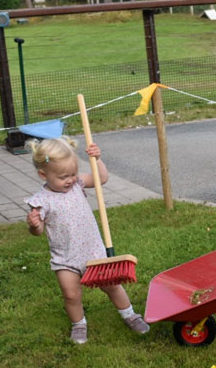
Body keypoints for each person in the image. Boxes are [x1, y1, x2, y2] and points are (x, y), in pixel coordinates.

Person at [24, 136, 149, 344]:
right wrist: (34, 225)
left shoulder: (77, 184)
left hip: (93, 252)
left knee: (112, 286)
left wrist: (97, 159)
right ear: (43, 174)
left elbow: (101, 179)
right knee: (71, 294)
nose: (70, 179)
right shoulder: (41, 201)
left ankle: (130, 314)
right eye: (64, 176)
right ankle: (79, 324)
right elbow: (37, 232)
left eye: (73, 174)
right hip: (65, 258)